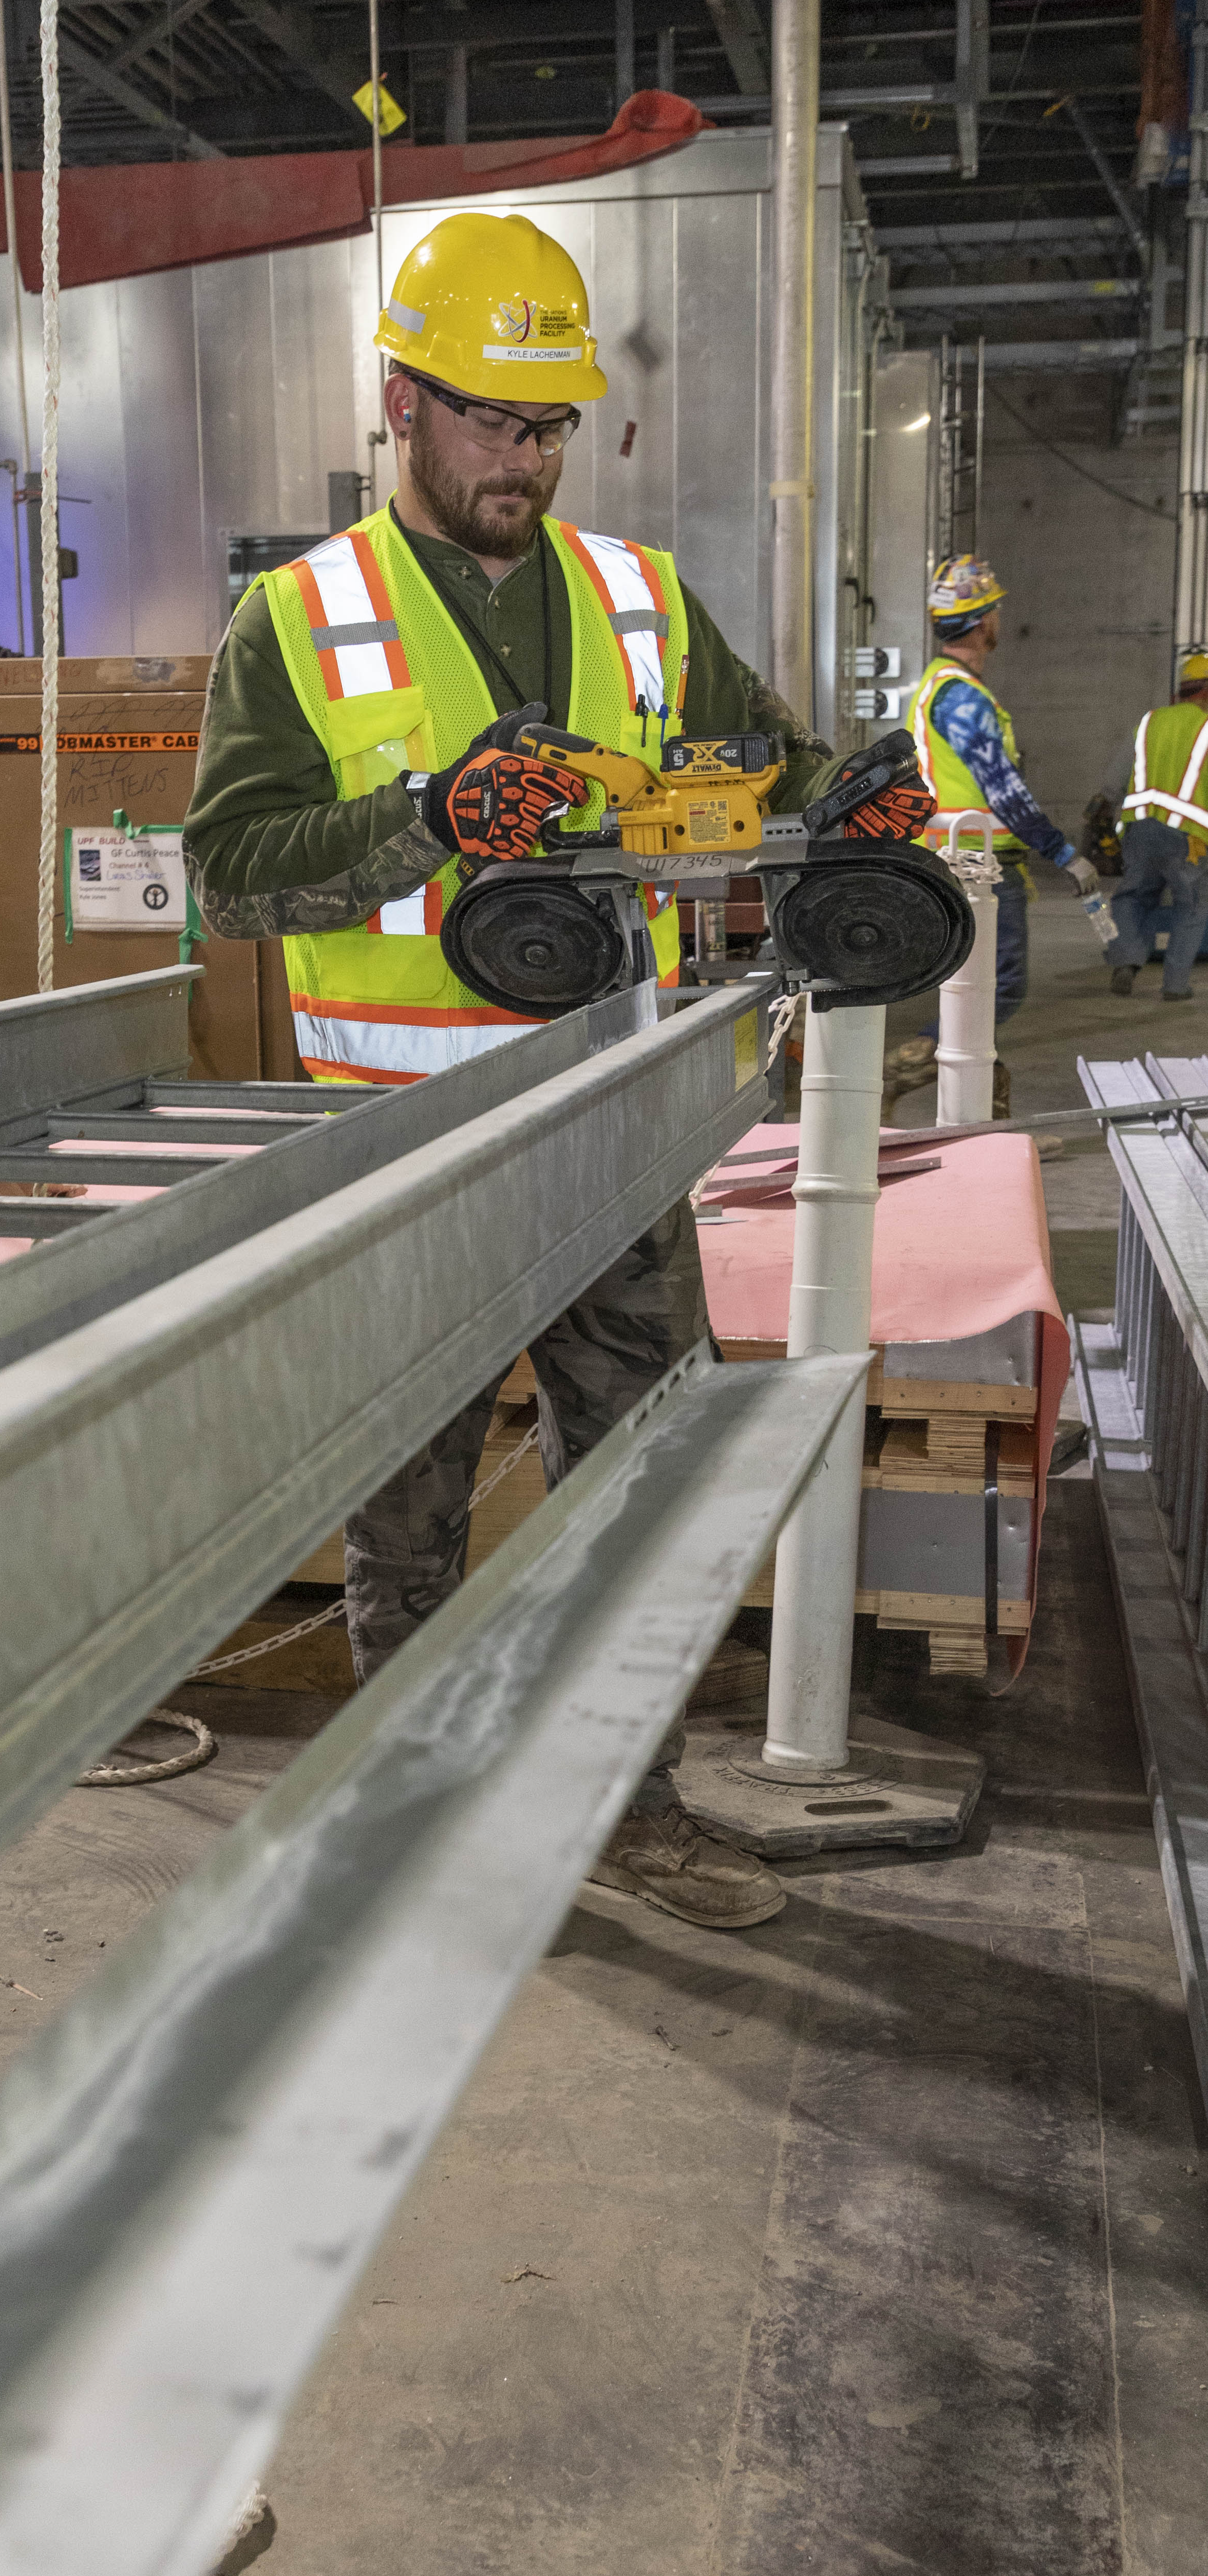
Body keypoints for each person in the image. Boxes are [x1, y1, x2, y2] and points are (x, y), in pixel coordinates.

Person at [183, 208, 932, 1935]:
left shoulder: (643, 604)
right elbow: (232, 873)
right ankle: (415, 1819)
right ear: (402, 404)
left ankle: (628, 1801)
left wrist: (847, 798)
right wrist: (427, 815)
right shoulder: (295, 621)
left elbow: (761, 759)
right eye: (488, 419)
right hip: (406, 1147)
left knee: (646, 1489)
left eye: (547, 425)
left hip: (615, 1134)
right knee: (409, 1514)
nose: (523, 456)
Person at [887, 556, 1101, 1111]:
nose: (1000, 620)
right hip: (977, 863)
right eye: (996, 611)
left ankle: (983, 1102)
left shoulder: (943, 687)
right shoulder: (961, 697)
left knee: (977, 988)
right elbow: (1002, 787)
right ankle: (917, 1063)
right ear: (982, 622)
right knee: (997, 986)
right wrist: (1064, 853)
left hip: (961, 855)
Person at [1094, 648, 1208, 1000]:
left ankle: (1127, 960)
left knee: (1132, 898)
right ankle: (1175, 985)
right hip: (1188, 837)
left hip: (1139, 830)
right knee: (1191, 907)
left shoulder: (1149, 722)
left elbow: (1114, 782)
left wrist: (1101, 814)